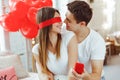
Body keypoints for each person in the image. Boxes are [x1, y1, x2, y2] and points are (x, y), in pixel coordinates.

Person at [32, 7, 78, 80]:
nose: (61, 22)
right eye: (57, 19)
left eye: (60, 19)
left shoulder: (70, 38)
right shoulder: (37, 50)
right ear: (46, 23)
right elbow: (43, 74)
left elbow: (72, 72)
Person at [64, 0, 106, 80]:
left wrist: (86, 77)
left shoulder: (97, 41)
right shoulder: (63, 30)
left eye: (68, 20)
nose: (64, 21)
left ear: (82, 24)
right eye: (65, 17)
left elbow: (97, 75)